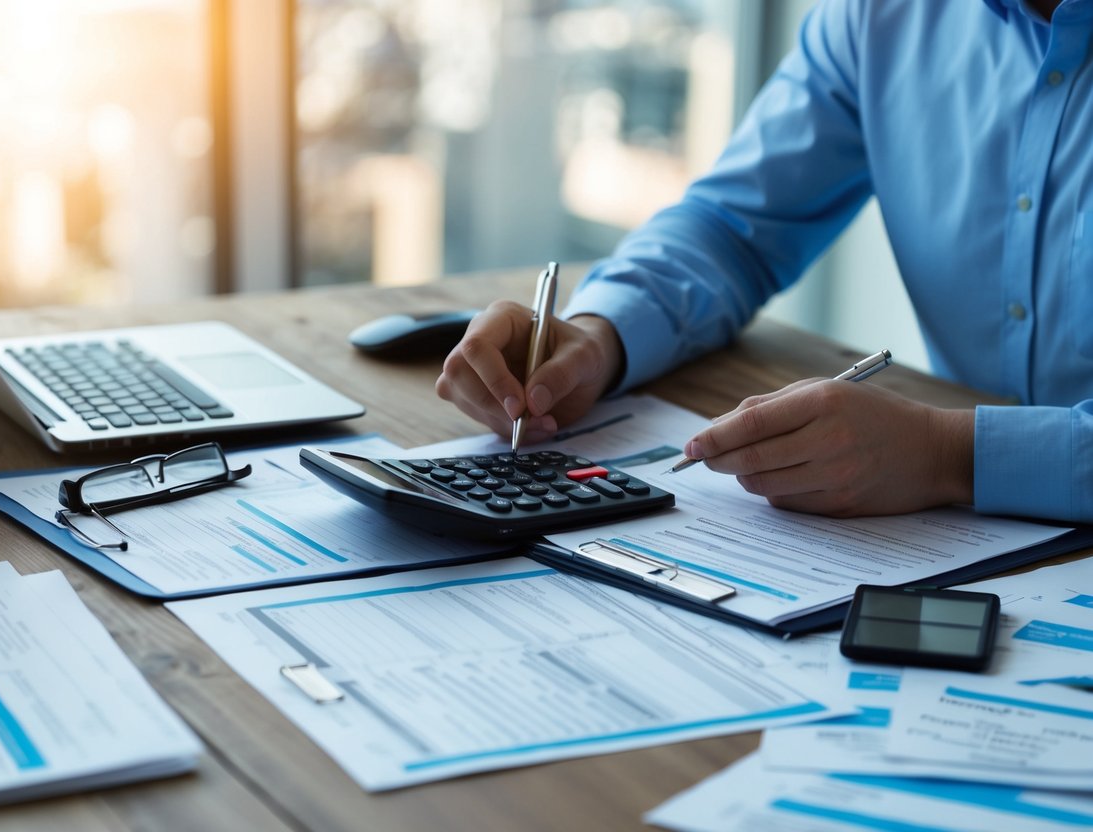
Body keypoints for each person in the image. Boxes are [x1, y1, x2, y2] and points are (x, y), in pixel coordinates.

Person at [436, 0, 1093, 524]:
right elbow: (732, 228)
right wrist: (600, 335)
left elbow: (942, 455)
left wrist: (947, 454)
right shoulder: (881, 17)